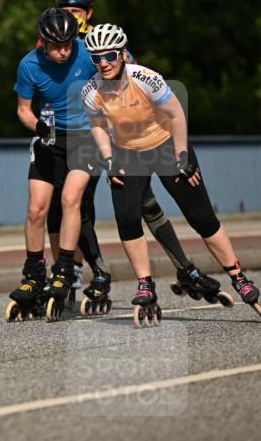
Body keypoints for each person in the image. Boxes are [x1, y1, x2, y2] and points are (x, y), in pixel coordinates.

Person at [81, 23, 260, 322]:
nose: (104, 63)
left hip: (166, 145)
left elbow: (176, 114)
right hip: (128, 152)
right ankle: (145, 284)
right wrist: (109, 159)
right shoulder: (91, 90)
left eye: (109, 55)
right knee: (127, 217)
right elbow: (98, 125)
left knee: (201, 217)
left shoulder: (146, 78)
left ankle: (239, 277)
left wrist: (182, 158)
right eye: (96, 58)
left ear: (123, 54)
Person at [54, 0, 203, 298]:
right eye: (64, 11)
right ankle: (92, 271)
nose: (70, 17)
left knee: (144, 205)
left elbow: (132, 81)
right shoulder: (56, 43)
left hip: (111, 133)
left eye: (76, 11)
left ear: (88, 13)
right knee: (77, 200)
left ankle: (184, 267)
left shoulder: (101, 41)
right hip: (79, 134)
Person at [9, 7, 105, 321]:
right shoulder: (29, 65)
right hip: (49, 136)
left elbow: (120, 72)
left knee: (70, 199)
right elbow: (23, 110)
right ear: (43, 42)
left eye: (67, 44)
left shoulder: (86, 54)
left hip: (85, 137)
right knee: (36, 208)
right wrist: (38, 126)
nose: (64, 51)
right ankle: (34, 274)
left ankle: (64, 269)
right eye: (56, 46)